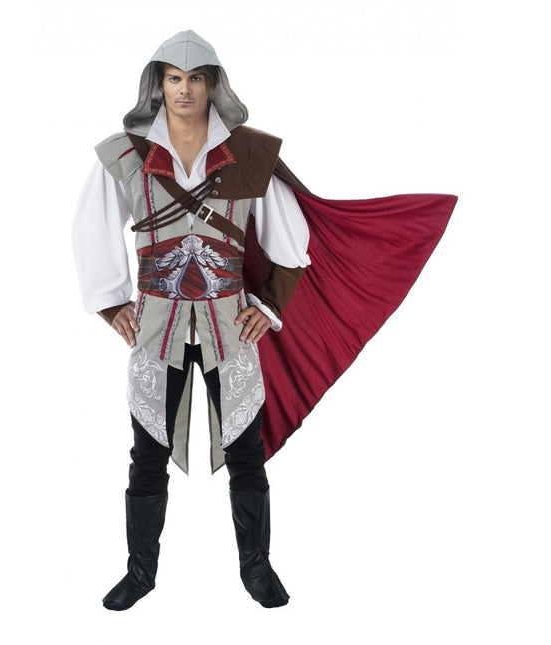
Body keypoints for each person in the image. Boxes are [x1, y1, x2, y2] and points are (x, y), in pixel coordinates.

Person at [73, 29, 457, 611]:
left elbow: (290, 241)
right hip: (156, 327)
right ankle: (140, 572)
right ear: (158, 84)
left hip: (230, 326)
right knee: (146, 454)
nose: (184, 89)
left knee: (246, 454)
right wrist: (111, 302)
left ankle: (257, 567)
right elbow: (92, 228)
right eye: (173, 79)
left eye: (195, 78)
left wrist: (269, 305)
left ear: (213, 85)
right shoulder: (124, 155)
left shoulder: (249, 154)